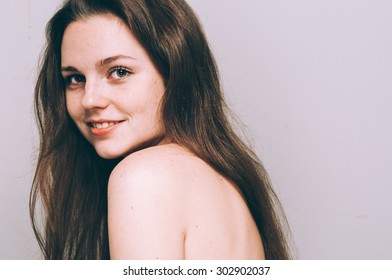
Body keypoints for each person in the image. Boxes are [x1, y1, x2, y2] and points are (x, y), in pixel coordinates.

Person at [30, 0, 292, 260]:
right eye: (75, 79)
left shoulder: (143, 177)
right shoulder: (216, 176)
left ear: (174, 71)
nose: (89, 100)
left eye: (118, 72)